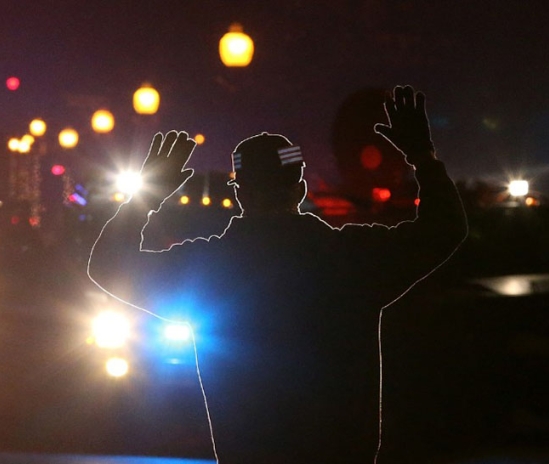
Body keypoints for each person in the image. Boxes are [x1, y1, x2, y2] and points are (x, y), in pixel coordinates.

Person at [88, 85, 467, 463]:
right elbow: (446, 228)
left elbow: (108, 265)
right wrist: (423, 156)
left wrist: (150, 194)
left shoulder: (210, 269)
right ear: (299, 188)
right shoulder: (349, 258)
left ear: (240, 193)